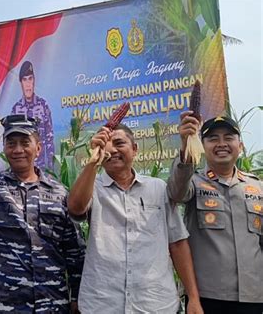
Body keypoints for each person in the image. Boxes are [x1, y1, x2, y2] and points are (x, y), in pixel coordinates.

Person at [0, 78, 85, 313]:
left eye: (25, 142)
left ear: (38, 148)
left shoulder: (59, 193)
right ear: (4, 148)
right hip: (4, 305)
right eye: (11, 143)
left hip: (51, 305)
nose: (18, 149)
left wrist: (76, 298)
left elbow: (74, 251)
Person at [68, 124, 203, 314]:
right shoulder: (92, 187)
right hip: (102, 304)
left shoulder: (157, 188)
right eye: (105, 144)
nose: (112, 150)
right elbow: (75, 207)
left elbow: (177, 244)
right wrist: (93, 162)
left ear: (135, 149)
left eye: (119, 143)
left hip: (155, 304)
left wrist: (193, 298)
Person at [167, 113, 263, 314]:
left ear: (240, 145)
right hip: (207, 297)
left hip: (254, 295)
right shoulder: (192, 181)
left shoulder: (257, 187)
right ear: (202, 146)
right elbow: (176, 192)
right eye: (213, 139)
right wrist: (186, 145)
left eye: (228, 138)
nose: (221, 144)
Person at [11, 60, 54, 169]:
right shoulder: (16, 110)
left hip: (42, 169)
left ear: (34, 81)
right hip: (23, 169)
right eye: (25, 80)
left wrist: (51, 168)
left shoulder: (43, 106)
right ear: (21, 83)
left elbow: (49, 140)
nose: (28, 84)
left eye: (30, 79)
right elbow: (12, 142)